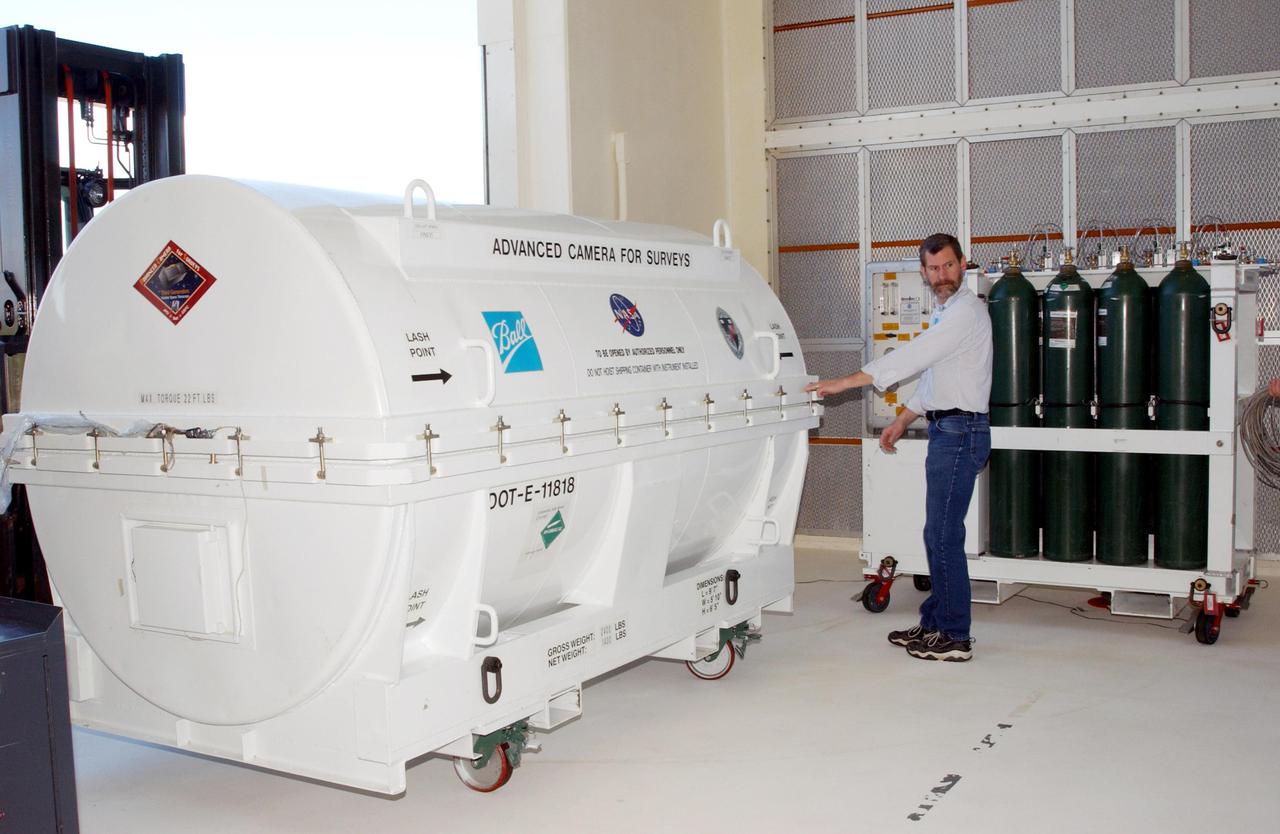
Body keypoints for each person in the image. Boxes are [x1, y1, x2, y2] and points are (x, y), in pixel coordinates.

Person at [805, 233, 992, 662]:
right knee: (936, 533)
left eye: (947, 266)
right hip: (950, 430)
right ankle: (934, 623)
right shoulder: (947, 314)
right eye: (932, 268)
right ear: (923, 273)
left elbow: (912, 357)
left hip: (961, 433)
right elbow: (933, 379)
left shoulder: (965, 311)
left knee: (944, 534)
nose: (941, 275)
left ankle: (955, 635)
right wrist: (904, 420)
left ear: (962, 265)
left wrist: (842, 383)